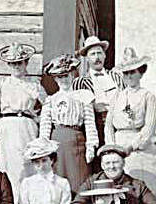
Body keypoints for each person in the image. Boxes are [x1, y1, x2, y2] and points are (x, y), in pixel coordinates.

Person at [0, 42, 47, 204]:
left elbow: (49, 107)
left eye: (20, 62)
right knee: (12, 174)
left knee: (30, 172)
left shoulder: (34, 85)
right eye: (13, 64)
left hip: (28, 126)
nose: (17, 67)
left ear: (26, 63)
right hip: (8, 128)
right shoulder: (0, 85)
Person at [40, 54, 99, 193]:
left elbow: (90, 123)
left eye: (66, 75)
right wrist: (44, 147)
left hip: (76, 141)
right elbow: (45, 125)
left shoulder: (83, 96)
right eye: (60, 77)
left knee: (78, 179)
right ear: (55, 79)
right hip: (57, 142)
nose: (63, 80)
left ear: (72, 75)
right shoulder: (51, 100)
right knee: (57, 180)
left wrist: (91, 146)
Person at [105, 47, 156, 194]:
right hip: (118, 145)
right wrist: (112, 147)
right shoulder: (117, 96)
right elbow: (109, 124)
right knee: (120, 188)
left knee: (142, 186)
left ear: (140, 73)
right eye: (126, 73)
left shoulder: (148, 96)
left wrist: (131, 147)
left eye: (132, 72)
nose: (129, 76)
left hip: (139, 147)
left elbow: (149, 128)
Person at [72, 36, 125, 171]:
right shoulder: (81, 82)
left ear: (105, 55)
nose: (97, 57)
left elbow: (127, 100)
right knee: (100, 163)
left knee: (119, 160)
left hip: (118, 124)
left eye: (99, 53)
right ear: (87, 58)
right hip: (96, 125)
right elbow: (82, 110)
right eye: (93, 54)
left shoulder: (116, 77)